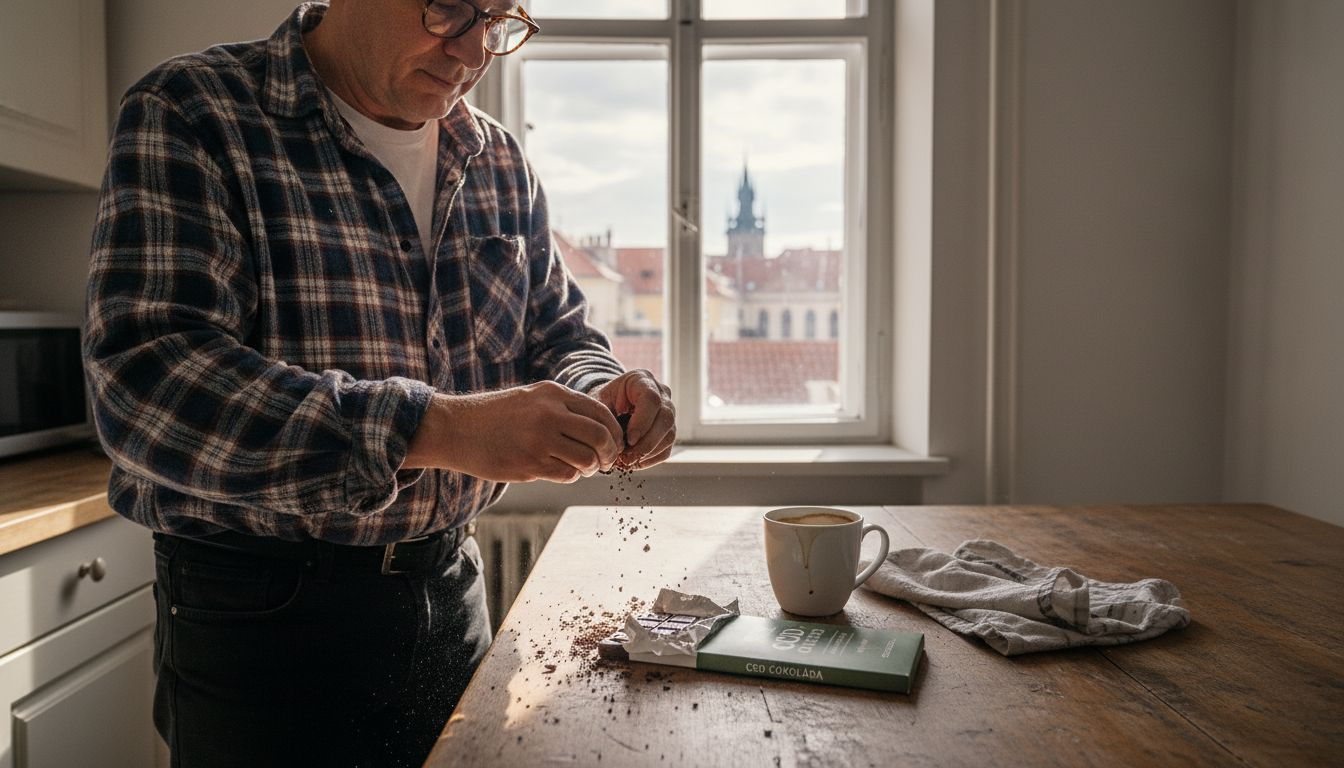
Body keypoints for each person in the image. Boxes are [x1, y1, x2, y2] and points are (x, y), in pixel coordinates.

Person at [82, 1, 675, 766]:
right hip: (260, 616)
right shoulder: (196, 113)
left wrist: (605, 386)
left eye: (499, 20)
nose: (473, 51)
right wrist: (443, 430)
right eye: (449, 8)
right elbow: (147, 386)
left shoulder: (497, 160)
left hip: (451, 588)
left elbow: (558, 334)